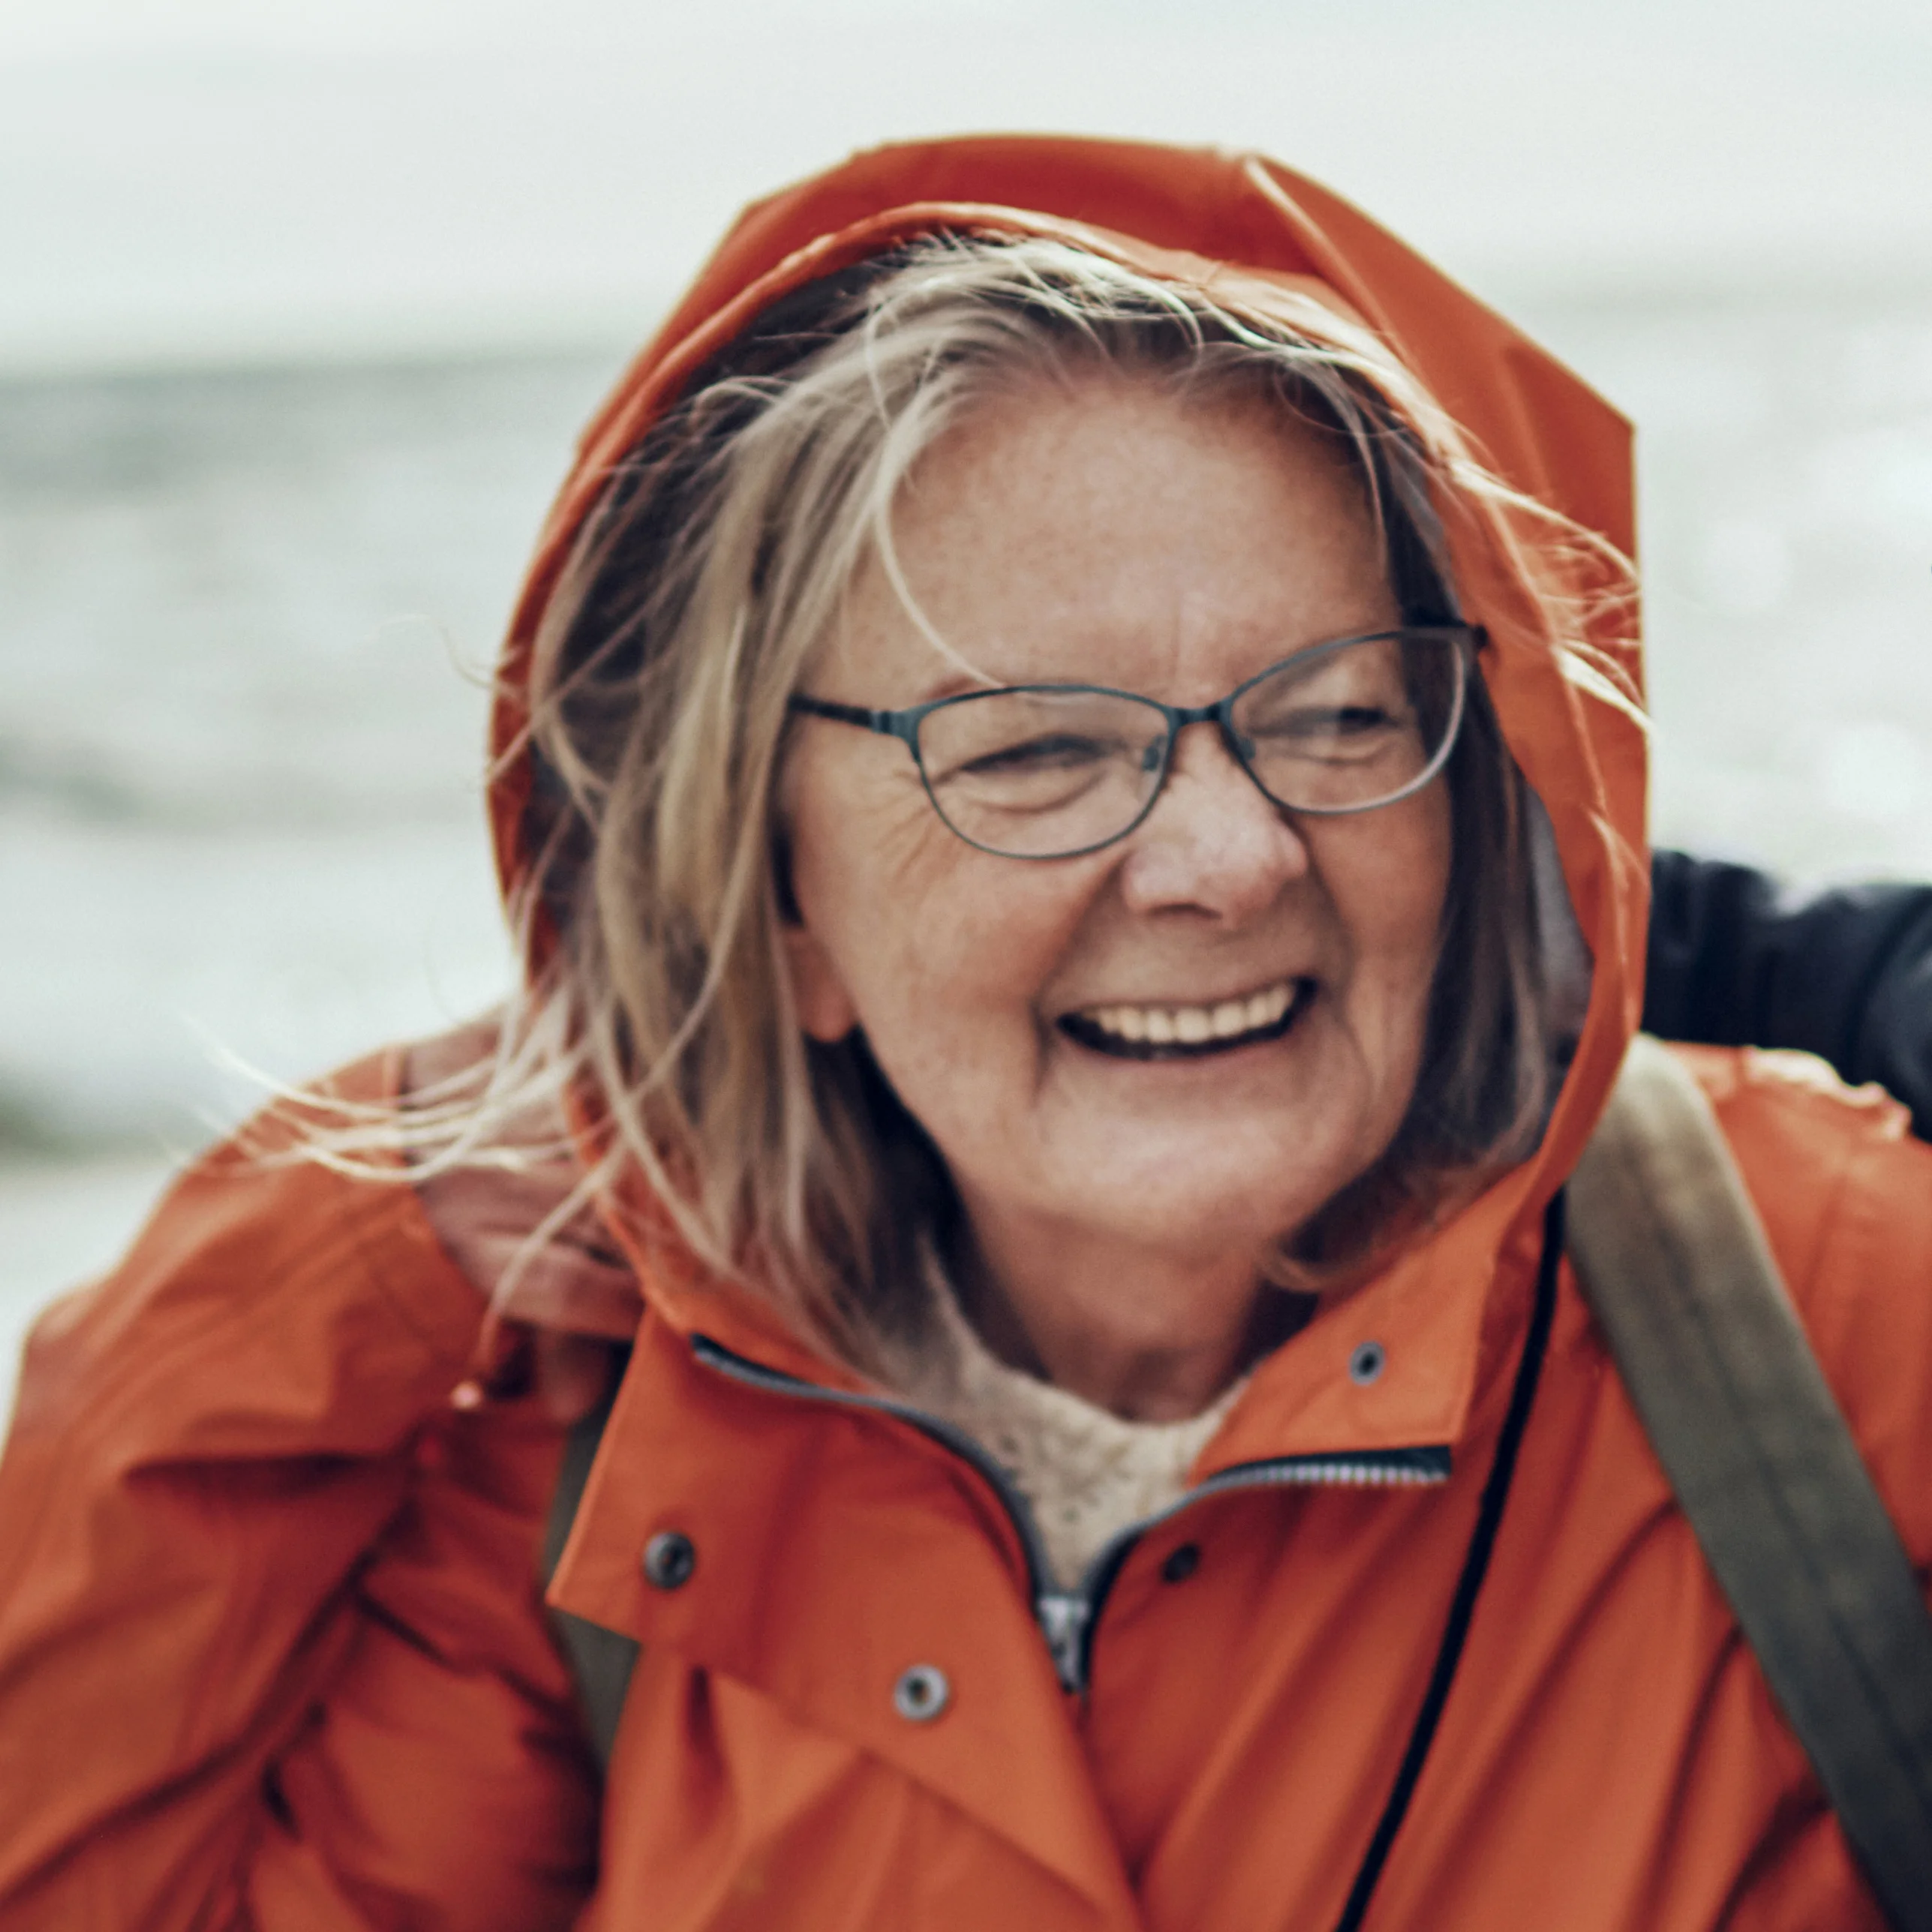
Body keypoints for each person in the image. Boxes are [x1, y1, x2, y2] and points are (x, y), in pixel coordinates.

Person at [2, 135, 1930, 1931]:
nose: (1230, 855)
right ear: (778, 910)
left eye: (1340, 717)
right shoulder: (605, 1501)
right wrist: (344, 1248)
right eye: (1033, 750)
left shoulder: (1809, 1312)